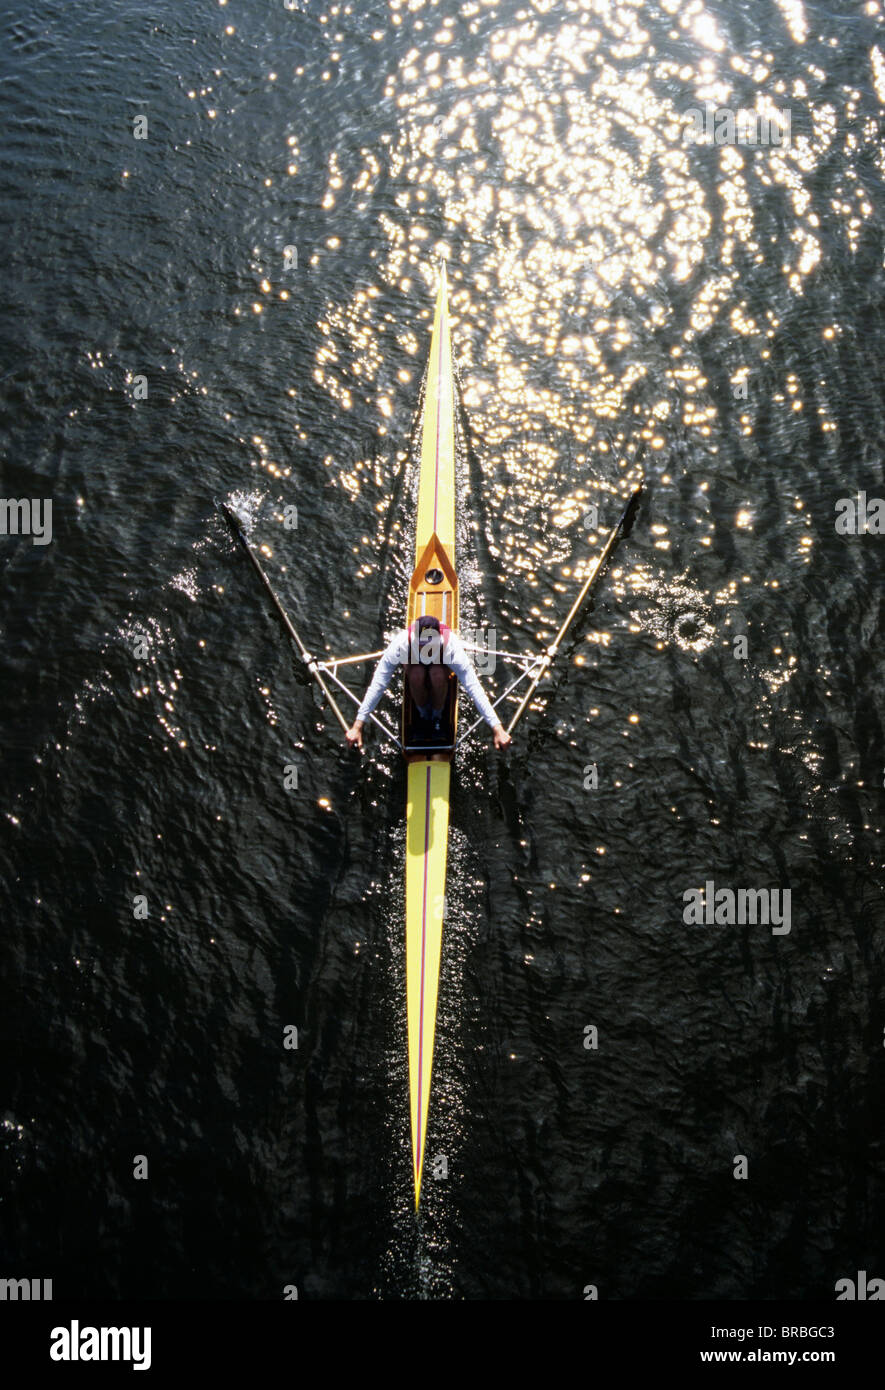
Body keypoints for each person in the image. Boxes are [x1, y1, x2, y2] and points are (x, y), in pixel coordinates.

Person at [345, 615, 512, 750]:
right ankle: (423, 715)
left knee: (436, 674)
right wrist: (358, 725)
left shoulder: (451, 646)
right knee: (417, 674)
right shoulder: (401, 644)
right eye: (421, 645)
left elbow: (474, 687)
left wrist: (497, 728)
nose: (426, 650)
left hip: (440, 668)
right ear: (413, 639)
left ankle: (438, 717)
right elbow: (378, 684)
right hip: (414, 667)